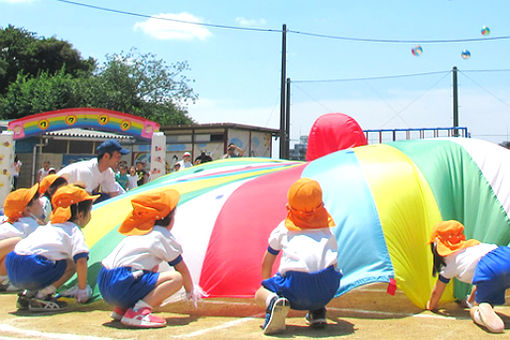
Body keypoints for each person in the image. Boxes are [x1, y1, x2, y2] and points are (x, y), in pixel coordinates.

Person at [97, 188, 200, 328]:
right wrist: (191, 291)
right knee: (176, 278)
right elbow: (181, 268)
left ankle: (122, 309)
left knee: (151, 271)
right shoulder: (161, 235)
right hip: (122, 283)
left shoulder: (138, 231)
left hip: (104, 281)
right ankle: (138, 312)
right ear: (167, 218)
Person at [254, 178, 342, 335]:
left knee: (260, 293)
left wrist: (268, 289)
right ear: (320, 204)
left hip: (295, 288)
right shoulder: (328, 228)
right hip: (328, 288)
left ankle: (272, 302)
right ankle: (318, 312)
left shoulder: (284, 229)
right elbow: (333, 264)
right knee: (317, 272)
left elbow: (267, 262)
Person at [5, 184, 97, 312]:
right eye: (90, 211)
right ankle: (43, 295)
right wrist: (82, 289)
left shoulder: (49, 226)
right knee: (70, 264)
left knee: (49, 259)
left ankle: (27, 295)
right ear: (80, 215)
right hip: (31, 267)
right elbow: (81, 261)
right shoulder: (73, 230)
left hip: (12, 264)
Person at [426, 220, 510, 333]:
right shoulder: (474, 246)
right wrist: (469, 301)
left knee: (477, 306)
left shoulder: (449, 264)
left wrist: (431, 305)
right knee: (484, 284)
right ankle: (481, 305)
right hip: (503, 253)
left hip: (489, 268)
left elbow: (437, 292)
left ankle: (481, 311)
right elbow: (479, 282)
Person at [0, 184, 44, 291]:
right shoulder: (29, 224)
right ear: (27, 210)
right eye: (37, 200)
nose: (42, 202)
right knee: (20, 243)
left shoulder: (14, 222)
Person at [57, 139, 129, 201]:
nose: (119, 160)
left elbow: (114, 196)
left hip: (73, 198)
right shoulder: (86, 171)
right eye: (117, 157)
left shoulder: (108, 172)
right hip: (58, 197)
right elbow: (86, 199)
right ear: (106, 156)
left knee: (105, 198)